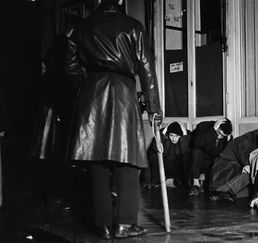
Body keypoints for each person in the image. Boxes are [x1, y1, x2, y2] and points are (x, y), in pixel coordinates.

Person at [64, 0, 162, 239]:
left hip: (93, 93)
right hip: (122, 92)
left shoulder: (83, 26)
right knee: (128, 160)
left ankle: (104, 225)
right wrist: (154, 107)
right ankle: (125, 223)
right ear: (120, 1)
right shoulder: (133, 26)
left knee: (97, 161)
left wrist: (85, 86)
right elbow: (146, 68)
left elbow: (69, 64)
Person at [208, 129, 258, 201]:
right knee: (251, 173)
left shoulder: (248, 139)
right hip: (223, 174)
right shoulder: (245, 141)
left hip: (223, 174)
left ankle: (226, 194)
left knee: (253, 188)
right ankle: (222, 190)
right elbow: (248, 162)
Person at [189, 118, 232, 196]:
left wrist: (228, 141)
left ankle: (210, 184)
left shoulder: (226, 135)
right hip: (199, 160)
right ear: (217, 126)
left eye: (223, 136)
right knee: (196, 150)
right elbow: (197, 143)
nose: (220, 137)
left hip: (212, 162)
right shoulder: (203, 126)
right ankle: (195, 185)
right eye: (219, 134)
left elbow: (222, 153)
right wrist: (213, 130)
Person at [147, 121, 191, 189]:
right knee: (153, 155)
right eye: (171, 135)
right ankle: (156, 181)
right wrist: (163, 134)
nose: (174, 139)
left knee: (186, 157)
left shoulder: (187, 135)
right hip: (165, 166)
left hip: (179, 168)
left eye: (177, 136)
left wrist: (183, 137)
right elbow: (154, 148)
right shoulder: (163, 135)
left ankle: (182, 182)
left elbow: (186, 153)